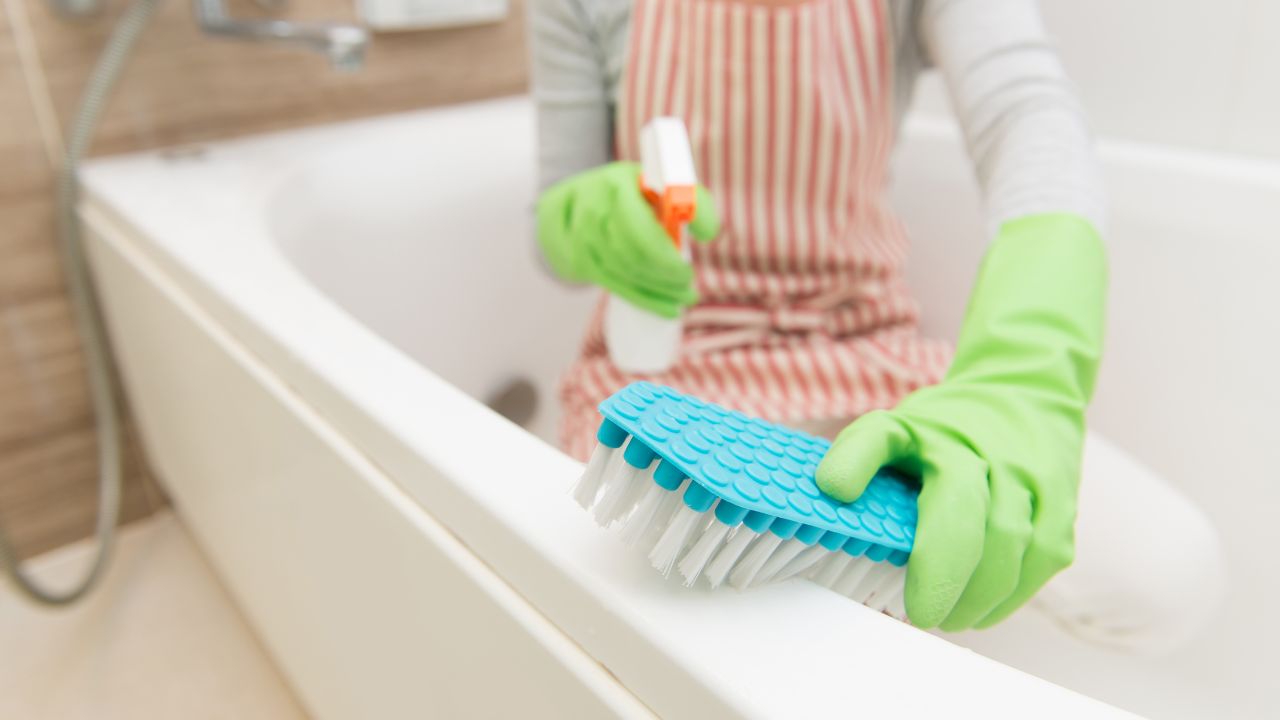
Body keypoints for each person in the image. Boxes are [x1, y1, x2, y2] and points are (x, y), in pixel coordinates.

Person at [530, 0, 1223, 652]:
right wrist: (577, 226)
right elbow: (552, 219)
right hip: (672, 368)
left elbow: (1025, 113)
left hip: (866, 357)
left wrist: (1026, 371)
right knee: (636, 603)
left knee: (1170, 571)